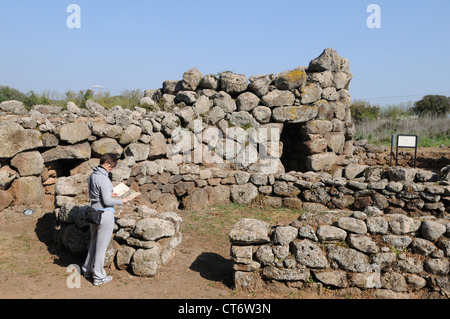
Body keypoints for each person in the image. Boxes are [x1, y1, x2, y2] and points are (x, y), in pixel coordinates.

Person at [82, 153, 129, 286]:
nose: (112, 169)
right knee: (101, 247)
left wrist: (110, 193)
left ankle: (86, 269)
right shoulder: (104, 179)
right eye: (111, 167)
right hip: (105, 215)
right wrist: (122, 200)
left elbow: (97, 194)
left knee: (93, 242)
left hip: (93, 213)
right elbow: (107, 201)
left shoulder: (93, 176)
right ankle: (98, 276)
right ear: (107, 164)